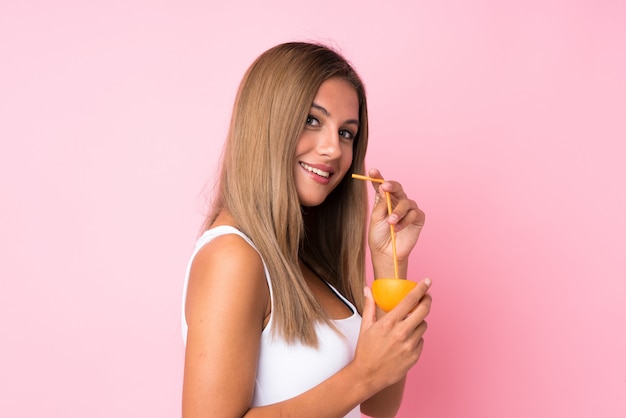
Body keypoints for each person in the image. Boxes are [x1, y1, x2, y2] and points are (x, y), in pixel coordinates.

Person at [181, 41, 432, 418]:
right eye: (312, 120)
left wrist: (388, 264)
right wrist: (360, 377)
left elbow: (379, 405)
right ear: (266, 123)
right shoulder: (232, 257)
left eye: (347, 133)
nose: (334, 149)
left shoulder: (305, 261)